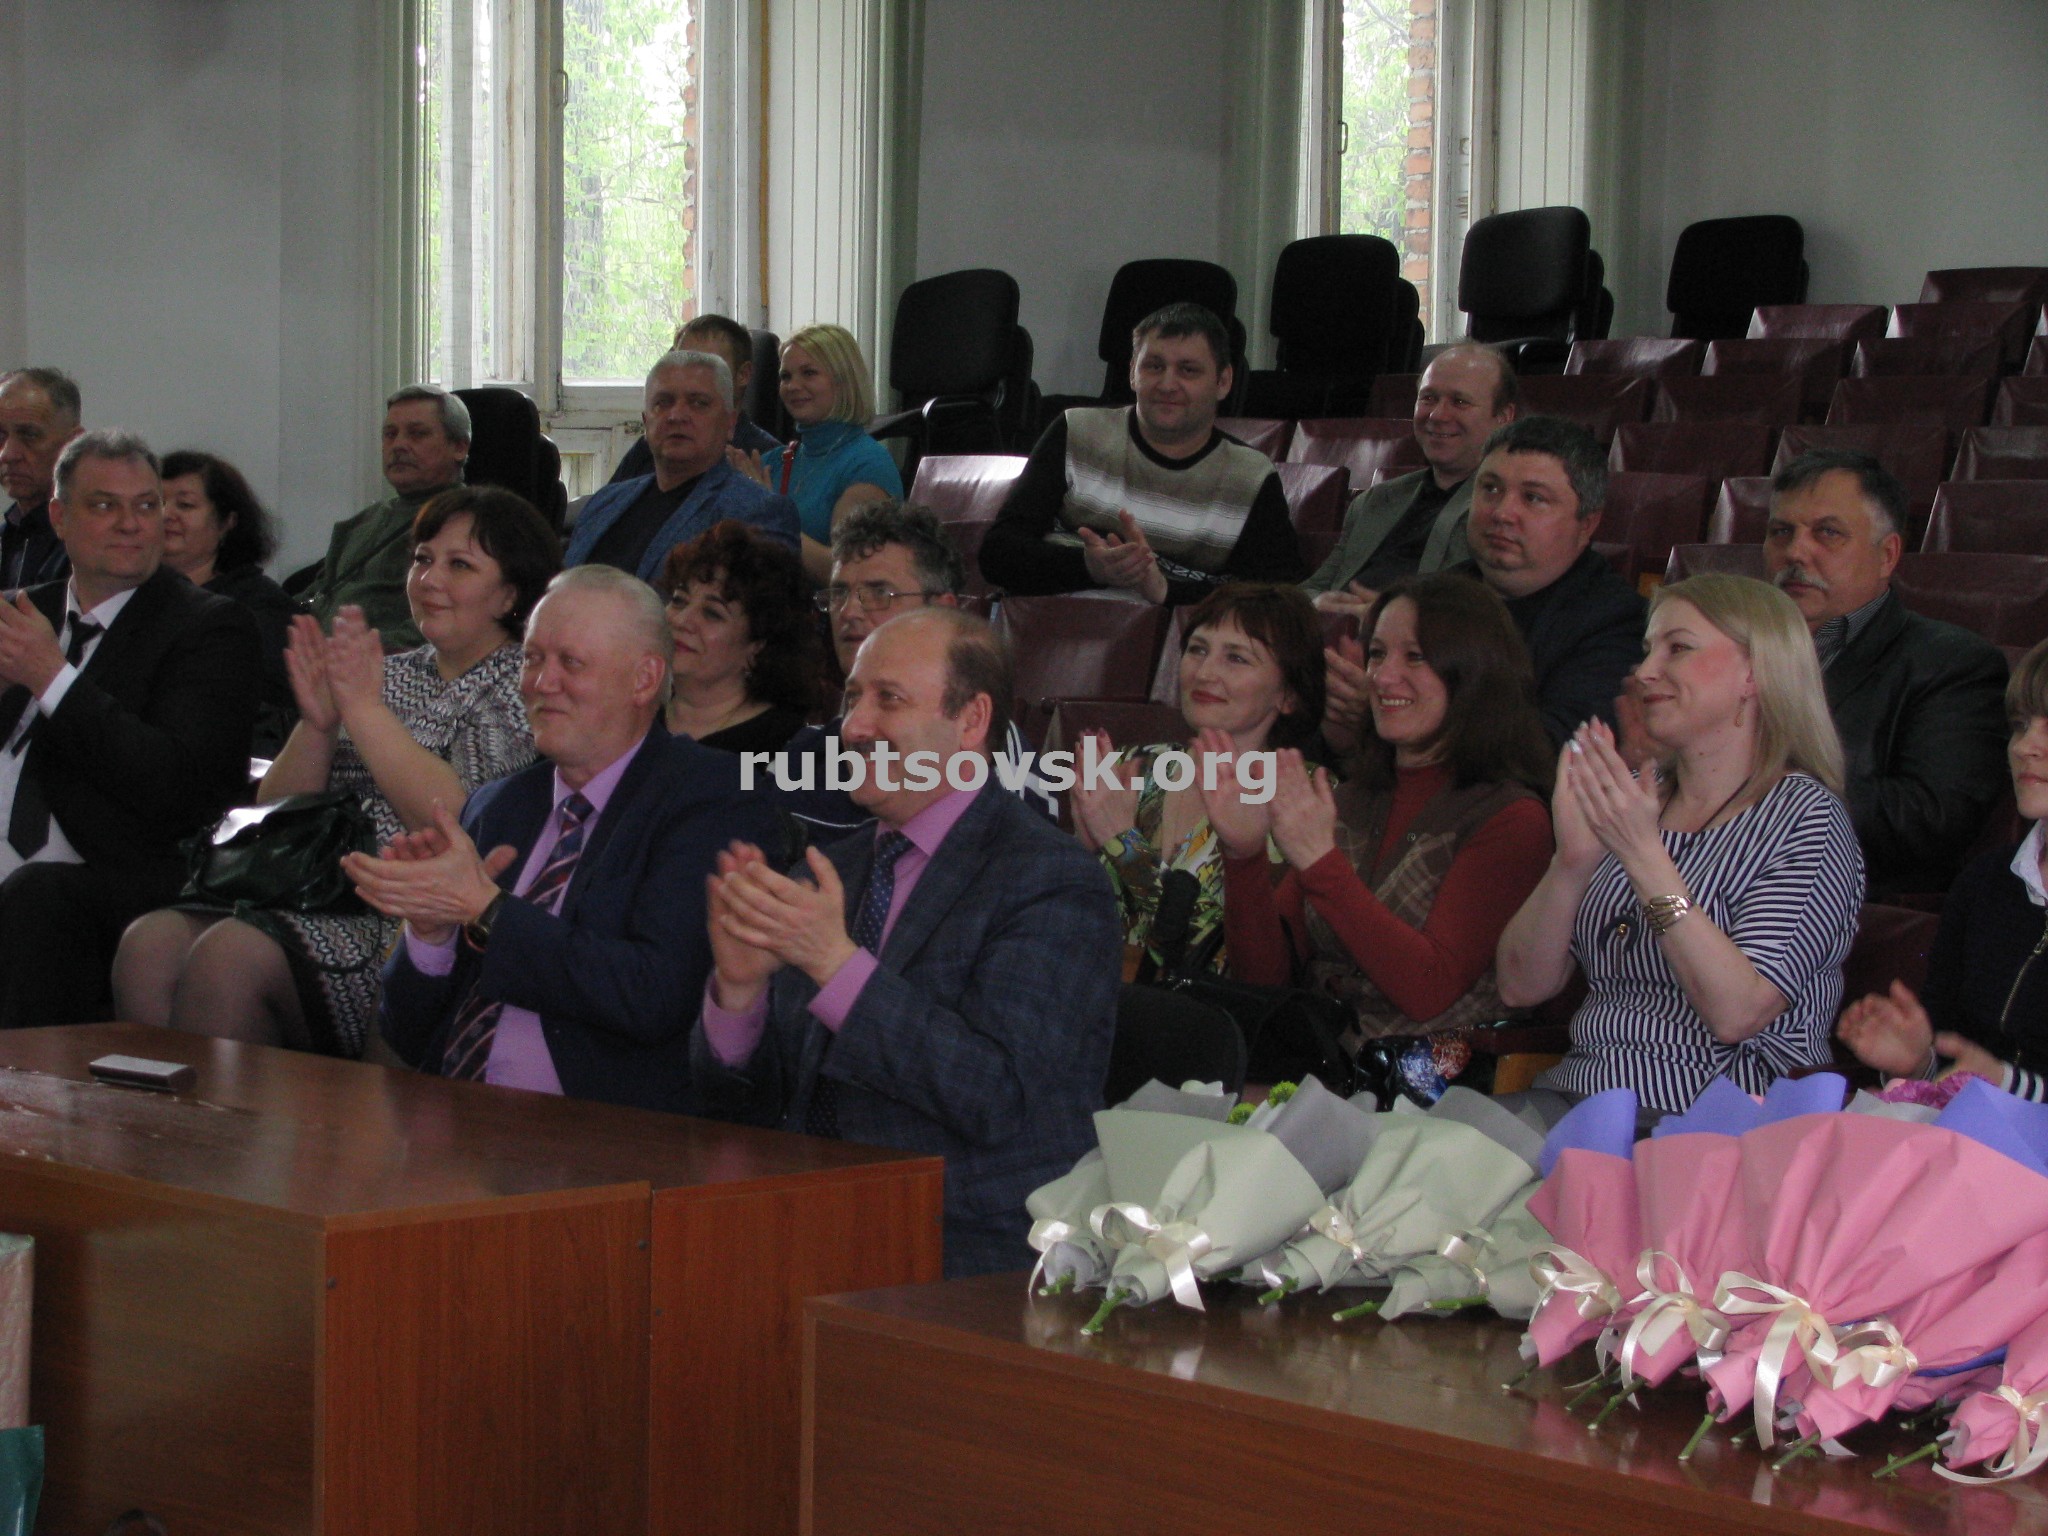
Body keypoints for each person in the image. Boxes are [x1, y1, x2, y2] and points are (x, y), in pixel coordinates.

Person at [692, 606, 1120, 1276]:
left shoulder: (1053, 882)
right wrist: (739, 996)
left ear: (971, 721)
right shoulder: (827, 874)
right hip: (803, 1219)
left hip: (966, 1251)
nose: (854, 727)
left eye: (888, 700)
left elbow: (997, 1099)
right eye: (852, 697)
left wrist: (836, 966)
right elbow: (744, 1111)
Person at [113, 486, 557, 1058]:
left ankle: (225, 1118)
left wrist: (363, 712)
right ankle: (158, 1113)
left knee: (230, 957)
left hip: (406, 916)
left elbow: (458, 819)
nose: (429, 580)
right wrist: (318, 725)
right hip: (310, 891)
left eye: (460, 565)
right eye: (422, 559)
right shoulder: (386, 670)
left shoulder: (521, 685)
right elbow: (274, 817)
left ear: (509, 595)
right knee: (148, 943)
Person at [357, 564, 784, 1111]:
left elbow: (654, 996)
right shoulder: (499, 805)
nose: (541, 682)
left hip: (600, 1132)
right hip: (451, 1117)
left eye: (571, 663)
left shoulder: (713, 798)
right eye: (533, 658)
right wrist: (430, 933)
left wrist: (489, 910)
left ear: (644, 680)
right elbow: (409, 1034)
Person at [1496, 574, 1865, 1119]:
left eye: (1679, 648)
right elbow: (1519, 986)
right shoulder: (1636, 799)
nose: (1645, 672)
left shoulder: (1804, 817)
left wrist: (1643, 856)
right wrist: (1570, 862)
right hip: (1577, 1093)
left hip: (1711, 1116)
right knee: (1414, 1152)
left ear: (1754, 673)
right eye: (1648, 649)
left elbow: (1738, 1012)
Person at [1208, 574, 1554, 1053]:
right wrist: (1244, 856)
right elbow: (1263, 982)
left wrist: (1321, 864)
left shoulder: (1512, 820)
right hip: (1313, 1061)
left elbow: (1427, 990)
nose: (1383, 677)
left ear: (1474, 672)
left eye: (1415, 656)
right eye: (1377, 654)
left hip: (1429, 1081)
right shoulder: (1351, 798)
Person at [0, 430, 261, 1028]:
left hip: (107, 876)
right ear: (60, 518)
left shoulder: (209, 628)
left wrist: (51, 678)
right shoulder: (20, 612)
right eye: (104, 505)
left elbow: (179, 789)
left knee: (37, 898)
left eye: (146, 505)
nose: (131, 524)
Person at [1762, 449, 2008, 896]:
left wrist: (1761, 776)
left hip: (1838, 903)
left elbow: (1931, 820)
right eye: (1781, 531)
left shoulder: (1953, 664)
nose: (1795, 551)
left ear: (1887, 555)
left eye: (1828, 532)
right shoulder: (1730, 646)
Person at [1324, 415, 1644, 756]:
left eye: (1533, 498)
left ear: (1587, 523)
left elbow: (1557, 748)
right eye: (1490, 489)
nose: (1502, 513)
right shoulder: (1431, 596)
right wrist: (1344, 729)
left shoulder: (1616, 621)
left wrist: (1397, 711)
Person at [1070, 583, 1325, 976]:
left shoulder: (1305, 800)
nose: (1205, 673)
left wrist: (1123, 844)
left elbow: (1230, 959)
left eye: (1236, 658)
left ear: (1288, 695)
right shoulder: (1132, 765)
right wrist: (1079, 855)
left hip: (1205, 1011)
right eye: (1197, 650)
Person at [978, 302, 1303, 604]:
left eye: (1188, 370)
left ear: (1223, 381)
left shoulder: (1249, 477)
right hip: (1050, 624)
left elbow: (1280, 597)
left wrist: (1165, 589)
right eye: (1154, 366)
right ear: (1133, 371)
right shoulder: (1076, 432)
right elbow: (997, 554)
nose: (1167, 384)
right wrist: (1090, 567)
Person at [774, 500, 1058, 841]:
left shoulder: (989, 748)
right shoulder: (802, 753)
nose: (849, 612)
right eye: (840, 593)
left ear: (942, 611)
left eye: (879, 593)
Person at [1839, 639, 2048, 1099]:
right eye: (2020, 725)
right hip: (1966, 1137)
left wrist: (2010, 1086)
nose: (2025, 747)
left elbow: (1994, 1079)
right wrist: (1919, 1062)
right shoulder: (1986, 882)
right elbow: (1961, 1064)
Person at [1304, 344, 1518, 613]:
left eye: (1460, 402)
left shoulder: (1507, 513)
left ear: (1503, 417)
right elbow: (1315, 586)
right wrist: (1315, 606)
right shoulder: (1375, 501)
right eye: (1428, 398)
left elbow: (1491, 614)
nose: (1437, 415)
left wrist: (1388, 617)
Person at [565, 350, 800, 583]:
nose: (676, 415)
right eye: (663, 403)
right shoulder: (604, 502)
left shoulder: (755, 513)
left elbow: (765, 605)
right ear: (646, 423)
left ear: (730, 424)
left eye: (698, 403)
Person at [303, 384, 473, 651]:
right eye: (390, 434)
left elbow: (441, 628)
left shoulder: (470, 524)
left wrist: (345, 653)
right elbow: (318, 595)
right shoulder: (361, 522)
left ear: (459, 447)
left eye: (417, 434)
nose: (399, 445)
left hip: (382, 667)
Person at [732, 323, 903, 585]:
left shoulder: (867, 464)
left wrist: (769, 517)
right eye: (786, 376)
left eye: (809, 373)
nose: (792, 386)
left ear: (844, 381)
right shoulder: (770, 461)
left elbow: (844, 572)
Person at [160, 450, 300, 755]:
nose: (166, 514)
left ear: (227, 522)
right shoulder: (133, 594)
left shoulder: (261, 608)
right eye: (154, 503)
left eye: (185, 505)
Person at [660, 519, 820, 753]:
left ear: (758, 644)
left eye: (712, 614)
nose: (681, 620)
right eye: (678, 601)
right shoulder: (634, 710)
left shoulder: (785, 747)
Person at [606, 315, 782, 485]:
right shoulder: (655, 443)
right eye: (682, 362)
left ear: (743, 374)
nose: (689, 374)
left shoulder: (769, 459)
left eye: (707, 365)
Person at [0, 367, 83, 589]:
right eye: (0, 436)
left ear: (73, 443)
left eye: (29, 435)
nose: (7, 454)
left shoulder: (92, 543)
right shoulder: (7, 536)